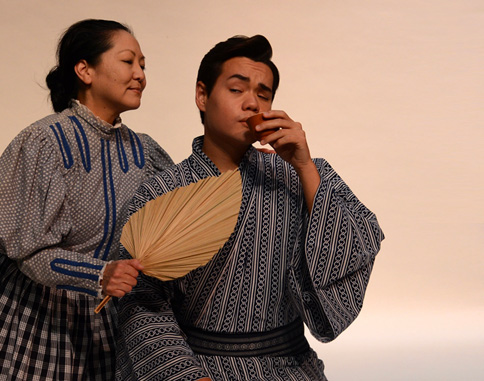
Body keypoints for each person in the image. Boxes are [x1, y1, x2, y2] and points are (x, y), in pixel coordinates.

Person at [116, 35, 384, 380]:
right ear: (202, 95)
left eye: (264, 94)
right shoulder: (163, 190)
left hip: (291, 368)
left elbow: (356, 244)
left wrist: (304, 166)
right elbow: (142, 303)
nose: (252, 104)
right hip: (200, 368)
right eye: (236, 90)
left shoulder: (298, 175)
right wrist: (186, 375)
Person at [0, 19, 173, 380]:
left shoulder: (146, 150)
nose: (140, 74)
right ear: (85, 70)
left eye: (143, 65)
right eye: (129, 62)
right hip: (31, 313)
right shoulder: (45, 143)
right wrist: (99, 273)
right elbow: (29, 253)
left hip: (107, 312)